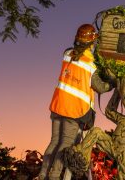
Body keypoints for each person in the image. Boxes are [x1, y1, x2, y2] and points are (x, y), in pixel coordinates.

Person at [38, 24, 112, 180]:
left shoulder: (67, 54)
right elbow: (101, 87)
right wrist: (112, 82)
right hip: (74, 110)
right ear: (92, 43)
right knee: (65, 144)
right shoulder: (91, 65)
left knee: (54, 142)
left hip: (58, 106)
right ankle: (55, 176)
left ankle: (43, 175)